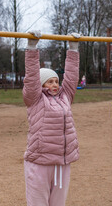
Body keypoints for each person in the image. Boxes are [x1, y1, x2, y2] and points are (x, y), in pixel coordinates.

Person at [22, 30, 80, 206]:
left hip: (62, 162)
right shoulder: (35, 99)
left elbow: (71, 77)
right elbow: (31, 77)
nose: (55, 84)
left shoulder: (65, 97)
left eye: (56, 81)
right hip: (40, 161)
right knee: (38, 203)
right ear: (41, 84)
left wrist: (73, 48)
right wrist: (32, 47)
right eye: (49, 81)